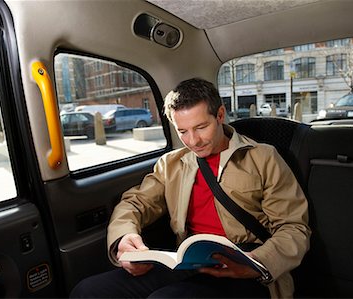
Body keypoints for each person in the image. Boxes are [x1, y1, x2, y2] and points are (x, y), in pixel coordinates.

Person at [70, 78, 310, 298]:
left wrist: (257, 262)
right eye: (182, 131)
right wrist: (124, 236)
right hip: (189, 261)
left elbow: (294, 227)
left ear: (220, 115)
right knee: (89, 291)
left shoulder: (263, 158)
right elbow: (135, 202)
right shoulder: (171, 163)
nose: (193, 141)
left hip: (247, 265)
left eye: (201, 127)